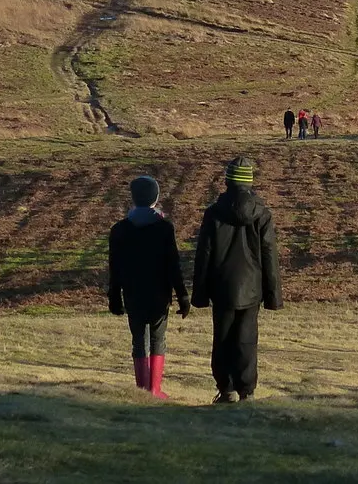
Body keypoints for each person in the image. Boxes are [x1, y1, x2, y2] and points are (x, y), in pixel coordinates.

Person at [192, 157, 283, 403]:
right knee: (247, 339)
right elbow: (269, 255)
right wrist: (273, 295)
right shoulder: (262, 214)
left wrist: (199, 293)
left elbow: (204, 254)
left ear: (227, 181)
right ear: (250, 182)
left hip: (221, 287)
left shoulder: (213, 213)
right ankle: (247, 391)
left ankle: (227, 388)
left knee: (221, 338)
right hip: (252, 288)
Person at [107, 175, 190, 399]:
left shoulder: (119, 230)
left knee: (138, 340)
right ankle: (154, 389)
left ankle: (142, 390)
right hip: (159, 294)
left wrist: (114, 297)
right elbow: (173, 265)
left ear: (133, 198)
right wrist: (182, 296)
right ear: (156, 197)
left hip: (132, 294)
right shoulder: (164, 228)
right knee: (157, 339)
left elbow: (114, 268)